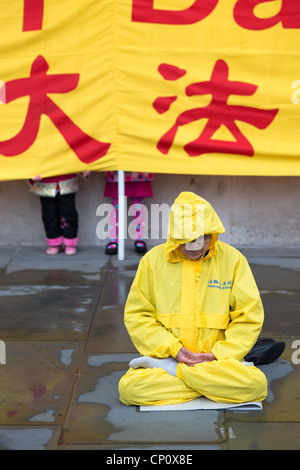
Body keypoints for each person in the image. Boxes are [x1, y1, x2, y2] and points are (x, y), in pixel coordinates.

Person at [119, 191, 270, 407]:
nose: (197, 246)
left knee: (256, 385)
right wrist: (174, 350)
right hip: (169, 359)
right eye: (188, 239)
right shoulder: (152, 261)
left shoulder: (233, 260)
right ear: (175, 236)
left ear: (212, 234)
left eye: (204, 237)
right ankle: (212, 387)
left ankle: (186, 380)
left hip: (217, 362)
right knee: (129, 390)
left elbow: (249, 316)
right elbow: (138, 316)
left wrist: (218, 354)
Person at [28, 172, 89, 255]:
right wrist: (32, 176)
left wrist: (84, 171)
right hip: (45, 184)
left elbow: (78, 160)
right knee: (49, 215)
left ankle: (70, 242)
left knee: (69, 214)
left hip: (67, 183)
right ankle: (54, 243)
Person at [104, 171, 153, 255]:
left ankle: (139, 238)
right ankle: (113, 238)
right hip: (118, 171)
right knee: (116, 205)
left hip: (138, 170)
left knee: (138, 205)